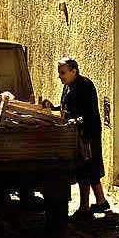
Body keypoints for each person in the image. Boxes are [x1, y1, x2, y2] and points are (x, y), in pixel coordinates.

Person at [43, 58, 109, 219]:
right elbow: (67, 107)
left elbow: (89, 112)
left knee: (86, 168)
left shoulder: (85, 85)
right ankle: (100, 201)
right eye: (59, 72)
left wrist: (76, 122)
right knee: (87, 169)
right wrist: (53, 108)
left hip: (86, 134)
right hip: (76, 133)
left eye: (63, 72)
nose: (60, 76)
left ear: (74, 71)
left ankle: (85, 207)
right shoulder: (68, 86)